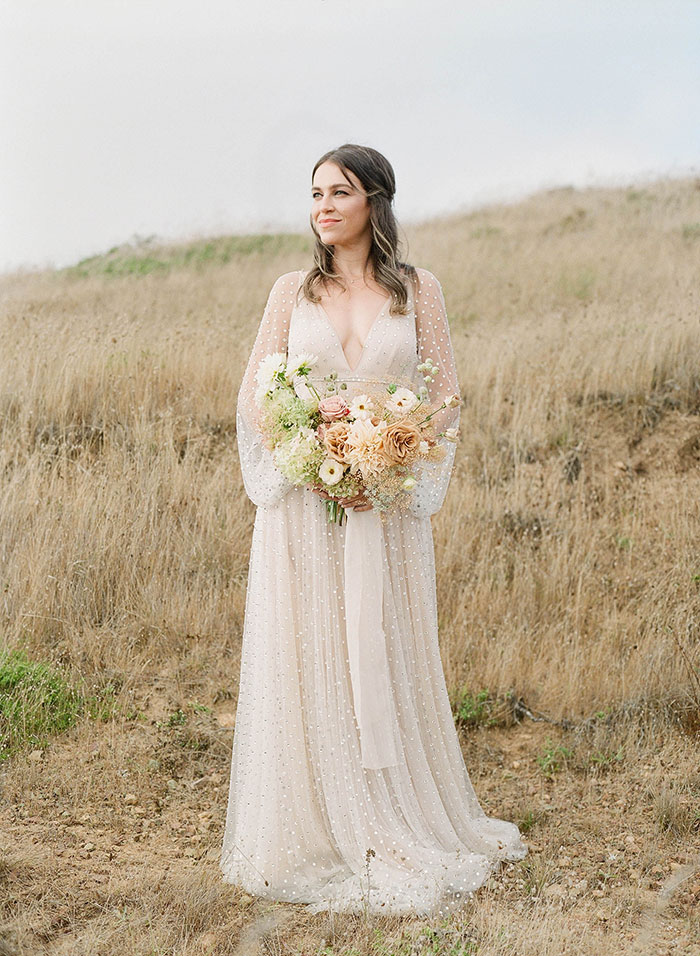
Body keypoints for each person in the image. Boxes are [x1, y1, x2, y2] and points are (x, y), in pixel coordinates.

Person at [219, 143, 527, 916]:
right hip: (305, 505)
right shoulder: (292, 290)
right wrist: (305, 424)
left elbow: (447, 395)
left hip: (381, 505)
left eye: (340, 192)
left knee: (380, 649)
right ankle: (318, 821)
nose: (323, 206)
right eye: (316, 193)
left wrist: (393, 441)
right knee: (312, 649)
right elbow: (258, 394)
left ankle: (396, 815)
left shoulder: (417, 290)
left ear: (375, 202)